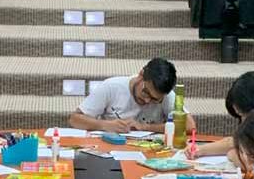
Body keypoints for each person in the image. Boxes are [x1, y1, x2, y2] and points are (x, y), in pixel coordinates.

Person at [67, 57, 197, 133]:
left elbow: (190, 126)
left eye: (154, 100)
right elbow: (75, 119)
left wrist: (145, 127)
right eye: (146, 92)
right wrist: (105, 125)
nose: (147, 100)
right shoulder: (111, 87)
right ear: (141, 75)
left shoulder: (166, 95)